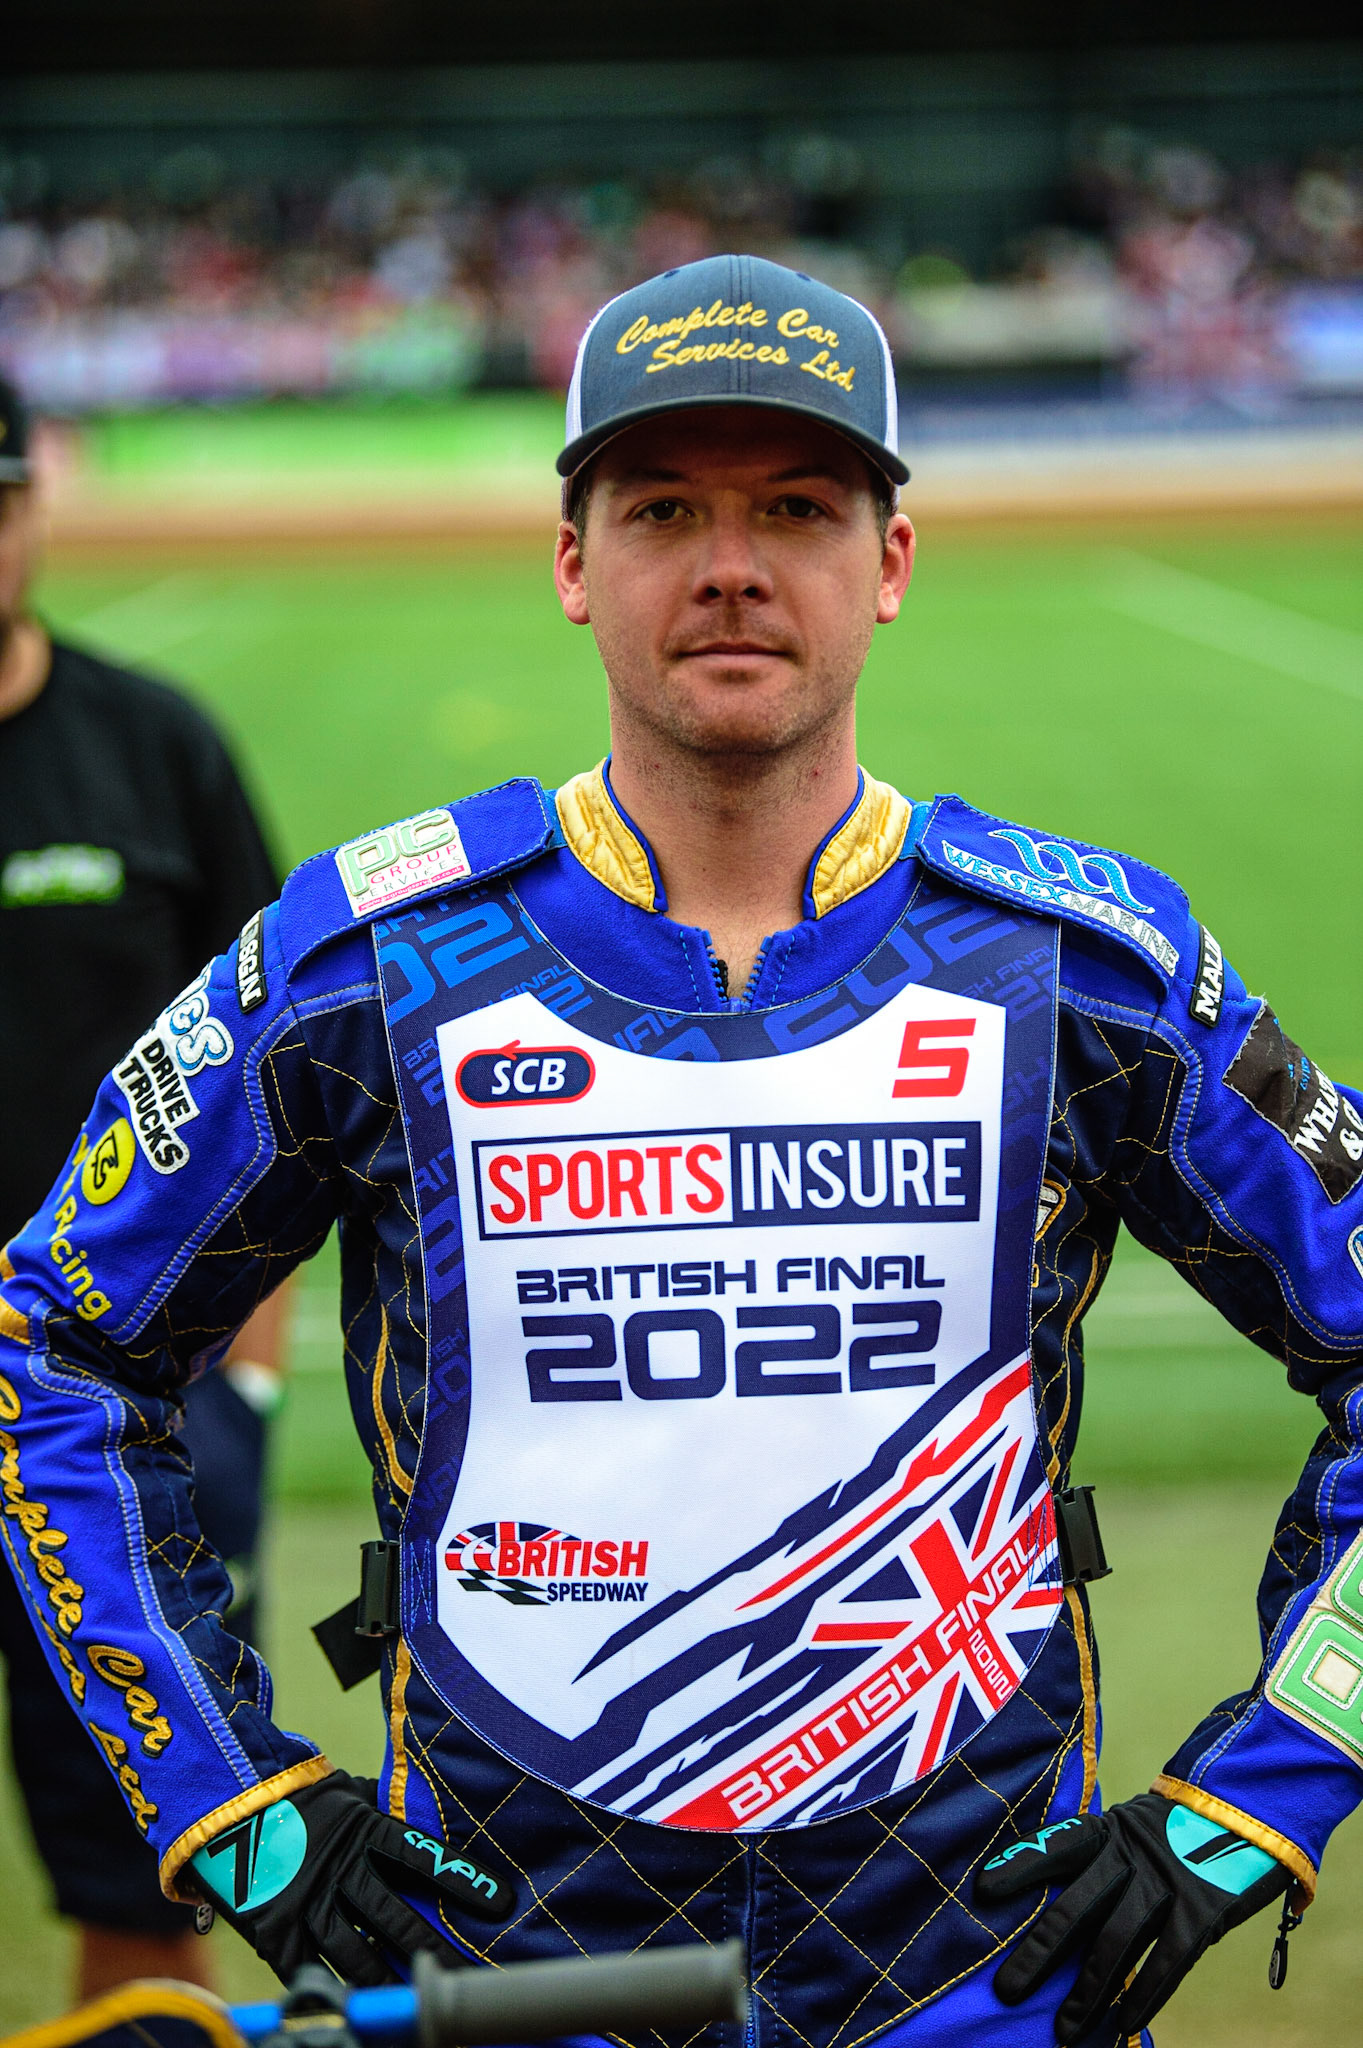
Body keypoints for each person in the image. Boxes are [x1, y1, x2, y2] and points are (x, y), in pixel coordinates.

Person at [0, 254, 1359, 2045]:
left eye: (797, 505)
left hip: (979, 1983)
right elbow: (57, 1346)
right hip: (496, 1984)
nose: (731, 563)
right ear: (576, 562)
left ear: (891, 560)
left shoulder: (1087, 971)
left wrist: (1265, 1794)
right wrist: (233, 1816)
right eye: (665, 508)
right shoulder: (364, 962)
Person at [0, 375, 288, 1999]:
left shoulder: (153, 751)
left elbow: (277, 1105)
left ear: (31, 507)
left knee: (149, 1865)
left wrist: (242, 1394)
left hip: (99, 1426)